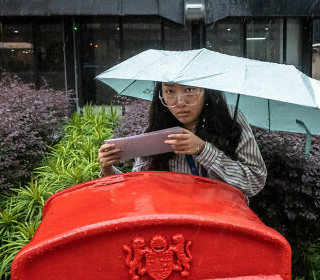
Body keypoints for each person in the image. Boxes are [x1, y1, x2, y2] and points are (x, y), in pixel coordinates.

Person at [98, 82, 267, 198]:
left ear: (206, 91)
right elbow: (138, 186)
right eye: (170, 91)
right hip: (174, 229)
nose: (180, 102)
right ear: (161, 95)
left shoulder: (230, 119)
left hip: (222, 225)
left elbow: (254, 181)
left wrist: (203, 149)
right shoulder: (158, 127)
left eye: (189, 90)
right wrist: (109, 171)